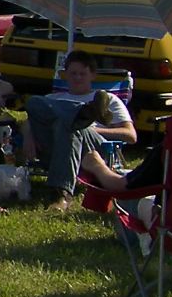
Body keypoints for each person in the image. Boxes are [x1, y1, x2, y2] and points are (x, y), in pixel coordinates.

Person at [21, 49, 137, 210]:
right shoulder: (52, 99)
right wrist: (28, 136)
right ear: (65, 75)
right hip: (55, 148)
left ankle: (61, 194)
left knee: (71, 126)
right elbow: (28, 122)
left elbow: (131, 135)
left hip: (93, 153)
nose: (77, 78)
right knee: (34, 102)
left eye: (82, 74)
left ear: (93, 75)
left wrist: (91, 130)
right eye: (73, 73)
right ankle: (82, 114)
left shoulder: (107, 99)